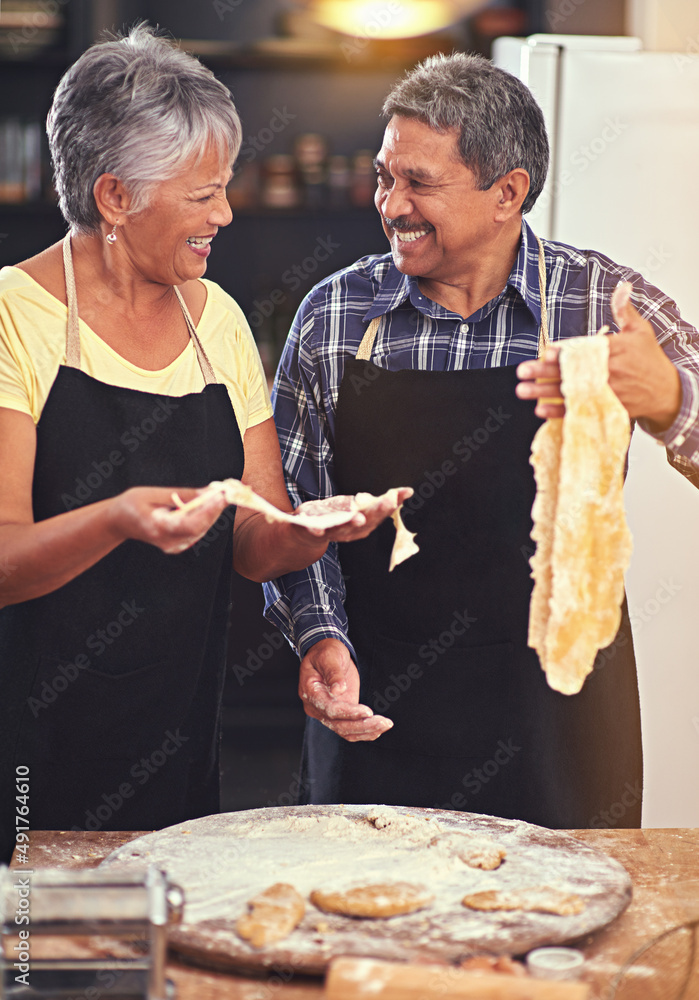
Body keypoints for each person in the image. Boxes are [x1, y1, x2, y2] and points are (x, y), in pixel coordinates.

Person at [265, 52, 699, 829]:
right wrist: (319, 637)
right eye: (382, 178)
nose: (390, 204)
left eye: (418, 183)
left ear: (508, 193)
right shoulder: (335, 317)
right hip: (377, 712)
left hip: (563, 723)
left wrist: (669, 403)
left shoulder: (601, 304)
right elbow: (296, 517)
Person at [0, 24, 401, 863]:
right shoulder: (13, 317)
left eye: (224, 187)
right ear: (114, 197)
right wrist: (118, 518)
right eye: (199, 194)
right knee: (35, 961)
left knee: (153, 959)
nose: (222, 213)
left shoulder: (213, 315)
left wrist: (316, 529)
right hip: (24, 734)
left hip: (171, 723)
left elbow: (256, 541)